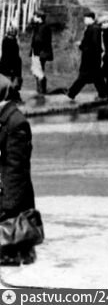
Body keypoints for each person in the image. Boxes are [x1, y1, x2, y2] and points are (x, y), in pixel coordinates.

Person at [0, 75, 36, 266]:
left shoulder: (16, 122)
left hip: (11, 202)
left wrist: (8, 208)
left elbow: (16, 169)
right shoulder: (4, 118)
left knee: (11, 256)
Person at [68, 11, 107, 100]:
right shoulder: (93, 28)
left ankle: (71, 93)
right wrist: (82, 44)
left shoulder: (94, 29)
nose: (84, 20)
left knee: (83, 77)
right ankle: (103, 95)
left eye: (85, 19)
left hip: (90, 58)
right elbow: (90, 43)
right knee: (97, 78)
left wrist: (82, 46)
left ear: (91, 19)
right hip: (93, 58)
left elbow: (94, 45)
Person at [28, 12, 53, 96]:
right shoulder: (40, 26)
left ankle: (41, 90)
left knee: (38, 71)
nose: (33, 18)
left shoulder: (43, 27)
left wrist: (35, 49)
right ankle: (40, 89)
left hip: (39, 52)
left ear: (39, 18)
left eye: (35, 16)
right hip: (38, 52)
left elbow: (39, 40)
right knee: (36, 70)